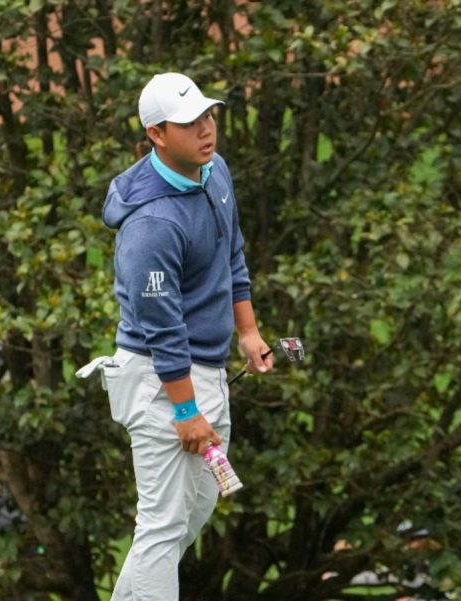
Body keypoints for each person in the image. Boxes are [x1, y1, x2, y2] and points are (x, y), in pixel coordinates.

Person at [78, 72, 274, 600]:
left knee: (191, 513)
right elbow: (160, 327)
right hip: (160, 380)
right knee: (163, 526)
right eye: (190, 123)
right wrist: (185, 411)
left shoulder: (215, 172)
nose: (207, 130)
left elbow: (231, 253)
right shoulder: (152, 225)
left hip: (205, 371)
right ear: (158, 135)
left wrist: (249, 332)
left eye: (208, 116)